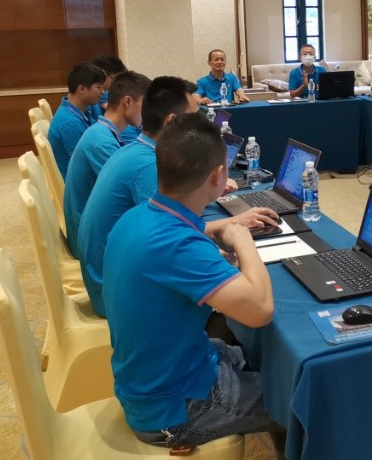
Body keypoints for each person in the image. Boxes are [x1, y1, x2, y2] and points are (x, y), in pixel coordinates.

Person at [103, 113, 284, 450]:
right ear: (217, 176)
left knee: (274, 362)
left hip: (159, 375)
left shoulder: (138, 216)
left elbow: (189, 241)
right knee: (301, 400)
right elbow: (260, 310)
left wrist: (225, 233)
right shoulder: (177, 246)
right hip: (174, 409)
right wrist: (243, 239)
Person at [78, 76, 278, 318]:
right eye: (194, 118)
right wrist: (242, 239)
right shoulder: (149, 173)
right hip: (109, 293)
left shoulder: (139, 198)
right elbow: (261, 310)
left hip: (118, 290)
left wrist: (224, 225)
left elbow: (173, 223)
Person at [63, 71, 151, 259]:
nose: (148, 112)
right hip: (91, 244)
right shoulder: (102, 143)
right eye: (145, 105)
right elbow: (133, 195)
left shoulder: (101, 131)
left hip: (89, 231)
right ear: (127, 102)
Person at [47, 63, 105, 179]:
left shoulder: (81, 110)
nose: (103, 91)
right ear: (81, 89)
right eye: (99, 87)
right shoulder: (70, 122)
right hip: (78, 182)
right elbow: (85, 163)